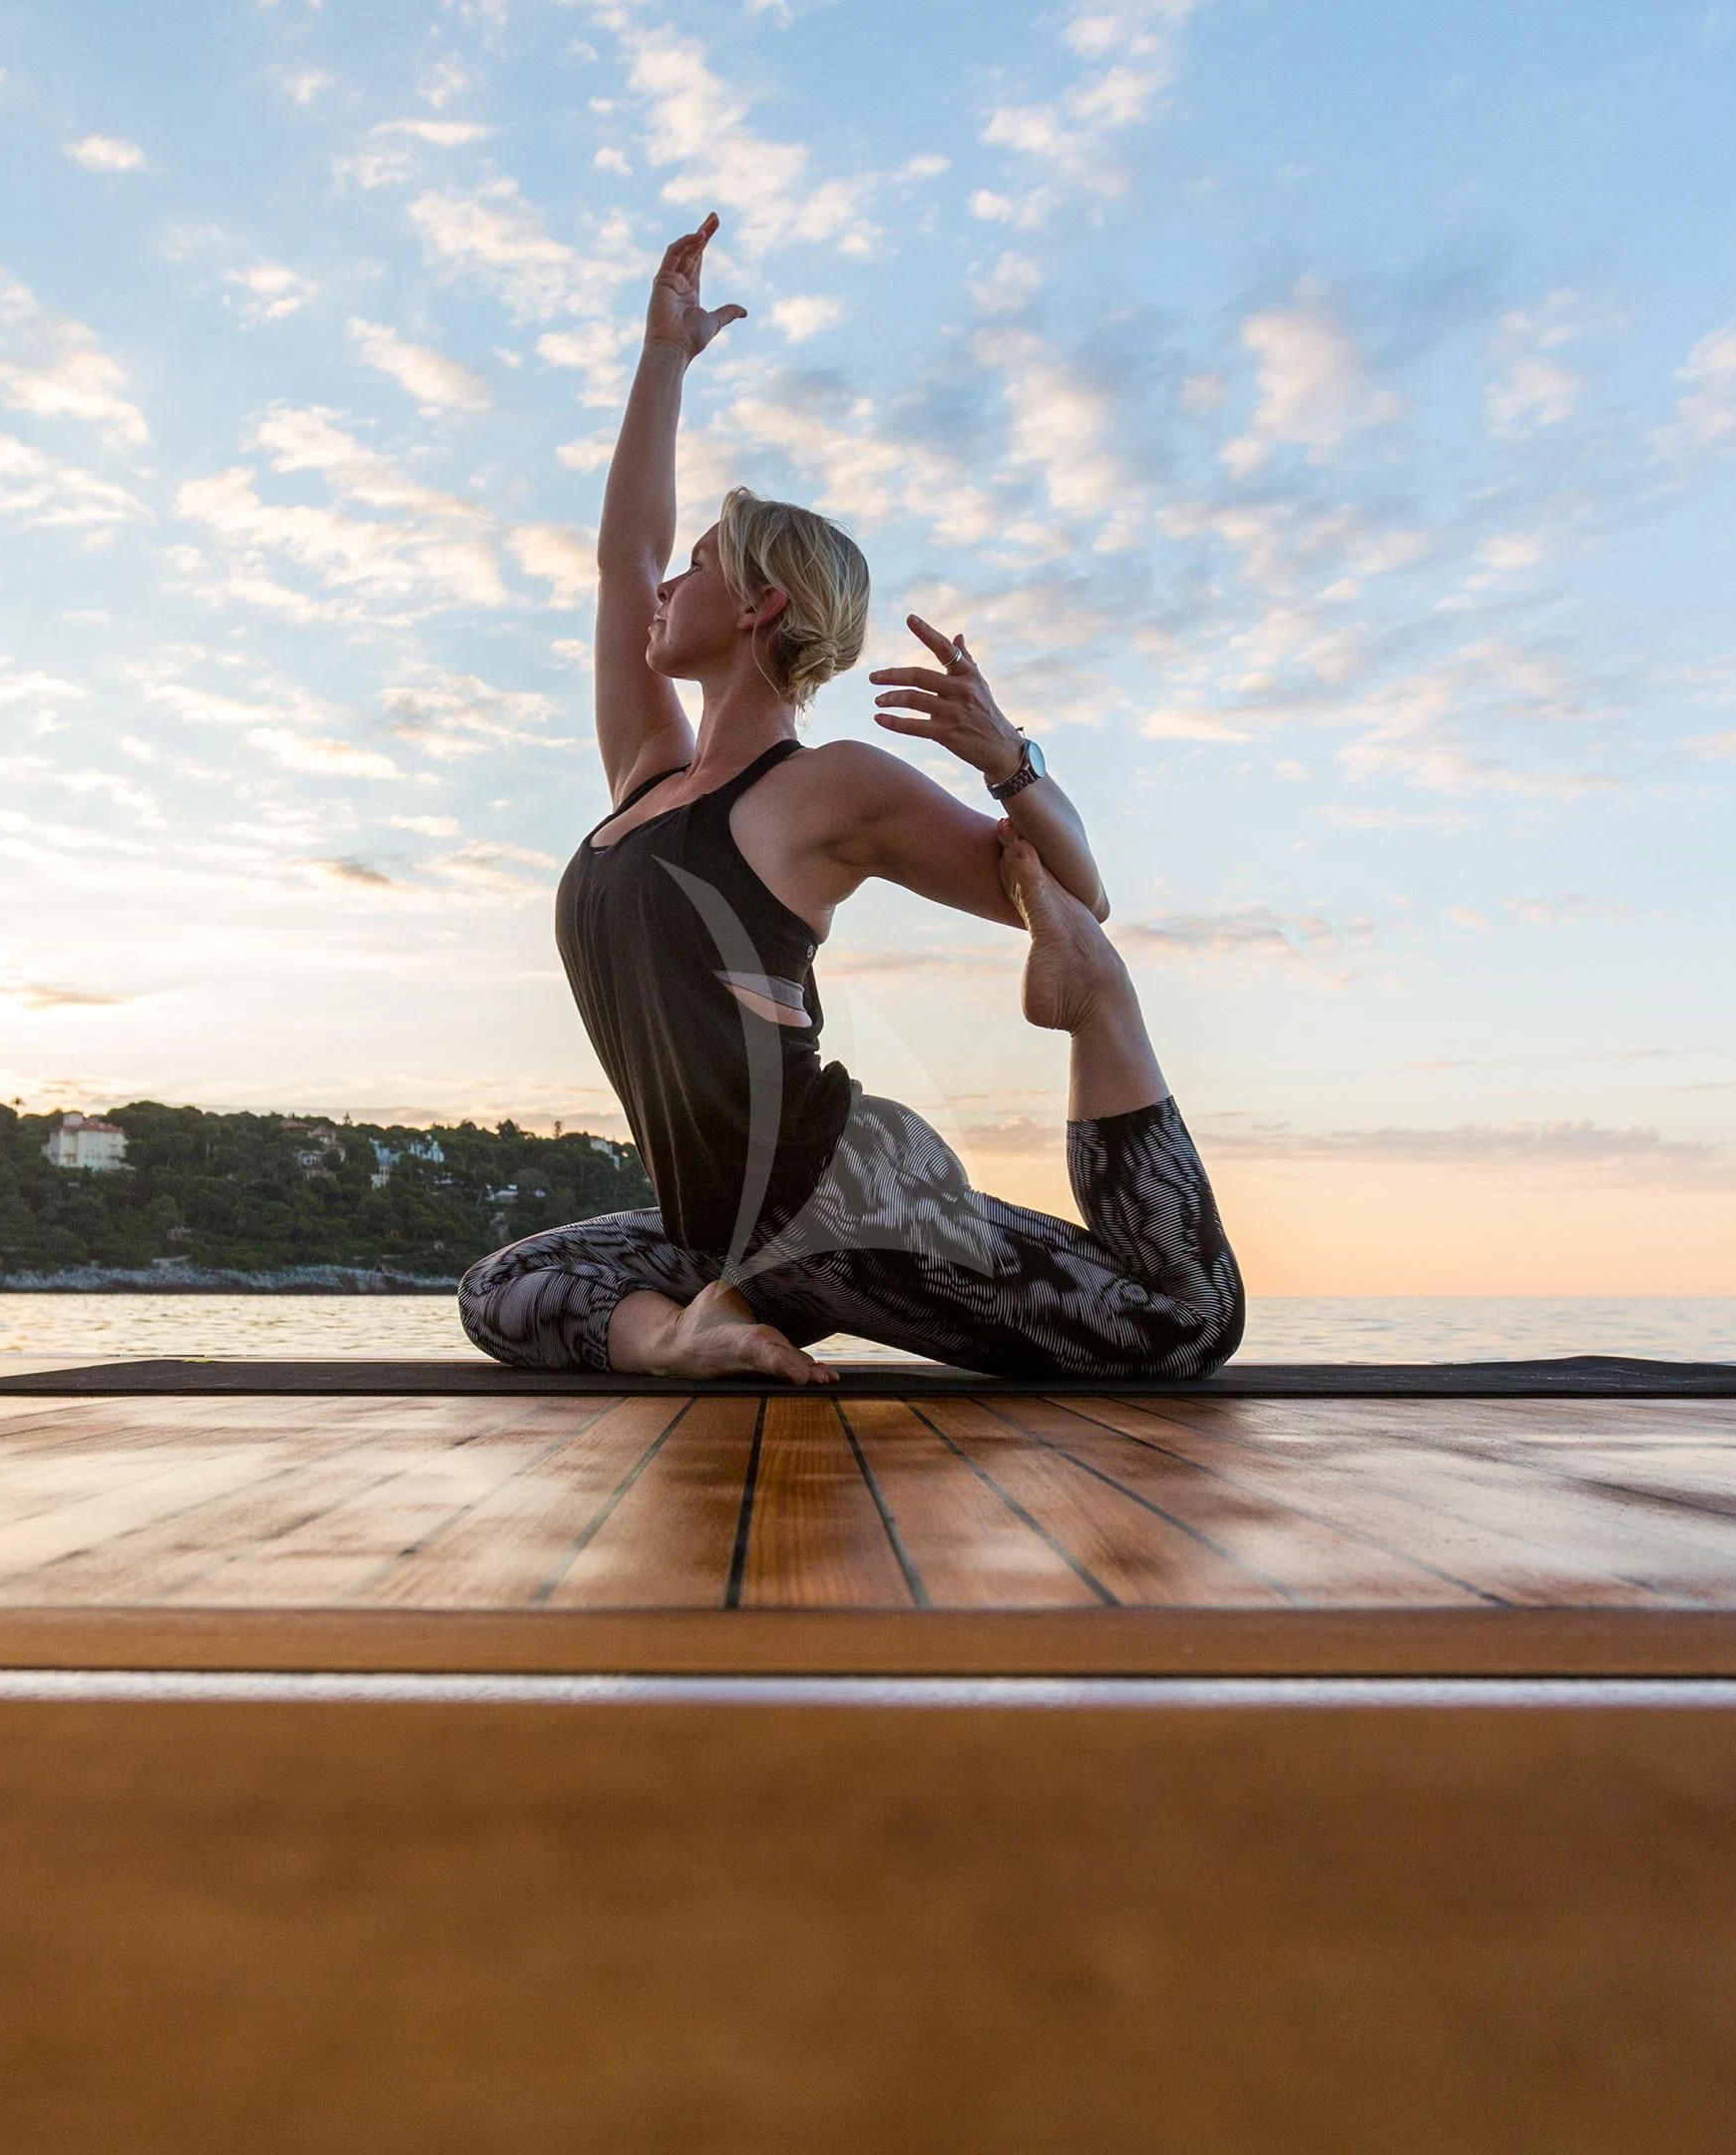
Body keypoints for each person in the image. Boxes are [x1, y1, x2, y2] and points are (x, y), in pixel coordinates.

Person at [457, 215, 1245, 1387]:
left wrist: (1013, 767)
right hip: (721, 1235)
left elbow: (1073, 891)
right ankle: (686, 1337)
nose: (667, 588)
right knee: (502, 1290)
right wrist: (663, 357)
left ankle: (1102, 1014)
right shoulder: (649, 779)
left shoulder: (826, 789)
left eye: (702, 568)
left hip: (842, 1201)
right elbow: (627, 557)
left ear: (762, 605)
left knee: (1184, 1328)